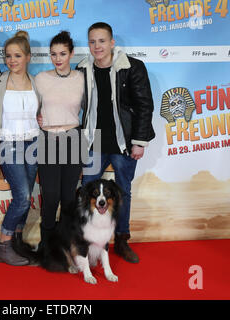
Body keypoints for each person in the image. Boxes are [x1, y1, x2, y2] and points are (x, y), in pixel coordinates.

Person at [77, 22, 155, 263]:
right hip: (94, 141)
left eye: (101, 41)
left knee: (123, 193)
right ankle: (89, 241)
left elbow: (144, 105)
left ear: (112, 42)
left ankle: (121, 239)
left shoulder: (132, 67)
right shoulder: (82, 69)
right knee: (87, 190)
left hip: (124, 142)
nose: (97, 46)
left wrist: (139, 141)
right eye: (92, 41)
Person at [0, 31, 41, 266]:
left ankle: (18, 243)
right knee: (22, 198)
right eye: (8, 56)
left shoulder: (36, 83)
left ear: (28, 57)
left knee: (27, 195)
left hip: (33, 143)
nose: (12, 60)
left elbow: (41, 111)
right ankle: (3, 246)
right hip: (8, 144)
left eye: (17, 56)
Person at [35, 31, 85, 249]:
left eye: (62, 53)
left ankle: (66, 244)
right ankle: (47, 244)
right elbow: (30, 108)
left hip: (74, 137)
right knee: (51, 195)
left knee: (68, 197)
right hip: (47, 139)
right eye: (53, 54)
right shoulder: (41, 79)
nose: (57, 58)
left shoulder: (82, 78)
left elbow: (92, 109)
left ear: (71, 54)